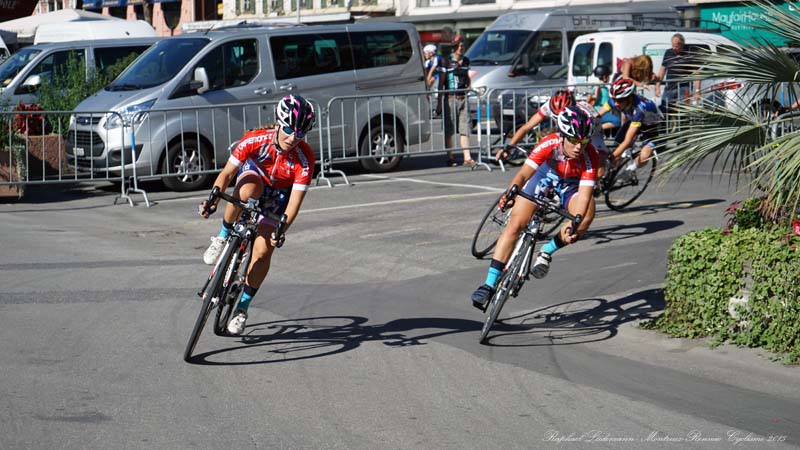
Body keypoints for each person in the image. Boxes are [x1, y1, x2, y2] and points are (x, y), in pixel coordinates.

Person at [199, 95, 316, 335]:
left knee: (262, 252)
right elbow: (227, 174)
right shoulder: (255, 139)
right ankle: (222, 236)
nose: (292, 138)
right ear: (278, 123)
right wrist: (212, 201)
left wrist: (281, 230)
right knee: (245, 190)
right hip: (256, 178)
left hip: (279, 196)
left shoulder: (305, 159)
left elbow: (294, 203)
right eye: (288, 130)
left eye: (300, 134)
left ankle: (242, 308)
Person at [471, 106, 600, 310]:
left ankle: (547, 251)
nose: (578, 147)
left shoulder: (590, 155)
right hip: (544, 177)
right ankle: (488, 284)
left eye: (583, 142)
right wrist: (510, 194)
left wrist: (575, 223)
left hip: (571, 185)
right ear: (563, 136)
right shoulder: (549, 143)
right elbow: (523, 174)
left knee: (586, 215)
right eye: (574, 140)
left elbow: (584, 196)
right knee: (516, 225)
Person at [495, 88, 609, 164]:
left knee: (595, 161)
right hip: (569, 133)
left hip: (591, 132)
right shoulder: (548, 106)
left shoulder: (584, 112)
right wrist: (508, 148)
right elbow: (526, 127)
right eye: (556, 117)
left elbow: (585, 139)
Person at [596, 78, 660, 174]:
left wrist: (611, 158)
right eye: (614, 99)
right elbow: (597, 115)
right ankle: (610, 175)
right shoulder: (617, 99)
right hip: (634, 120)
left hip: (650, 126)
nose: (616, 103)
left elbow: (627, 140)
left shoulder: (639, 109)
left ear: (629, 98)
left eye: (619, 101)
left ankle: (629, 171)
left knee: (644, 156)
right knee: (617, 147)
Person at [437, 35, 475, 167]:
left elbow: (467, 77)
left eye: (462, 45)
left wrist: (469, 86)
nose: (461, 48)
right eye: (458, 46)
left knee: (465, 128)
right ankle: (450, 157)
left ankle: (467, 157)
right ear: (453, 47)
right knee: (449, 129)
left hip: (463, 98)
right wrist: (439, 102)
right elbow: (441, 83)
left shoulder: (466, 61)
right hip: (450, 98)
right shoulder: (445, 61)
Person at [655, 33, 701, 114]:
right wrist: (657, 86)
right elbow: (662, 70)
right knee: (665, 108)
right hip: (670, 86)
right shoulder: (668, 53)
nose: (674, 48)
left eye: (676, 46)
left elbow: (697, 73)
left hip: (684, 87)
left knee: (684, 110)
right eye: (673, 45)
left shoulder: (689, 54)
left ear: (682, 44)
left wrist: (697, 91)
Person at [591, 65, 620, 131]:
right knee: (617, 121)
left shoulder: (603, 87)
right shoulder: (598, 86)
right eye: (608, 76)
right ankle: (595, 129)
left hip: (605, 111)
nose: (609, 78)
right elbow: (595, 96)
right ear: (604, 76)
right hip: (600, 111)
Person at [423, 44, 441, 116]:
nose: (424, 54)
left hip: (440, 78)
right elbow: (426, 73)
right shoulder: (427, 62)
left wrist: (428, 83)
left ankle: (439, 109)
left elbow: (431, 71)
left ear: (431, 53)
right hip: (435, 78)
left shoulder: (437, 58)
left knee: (437, 93)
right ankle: (432, 109)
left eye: (425, 53)